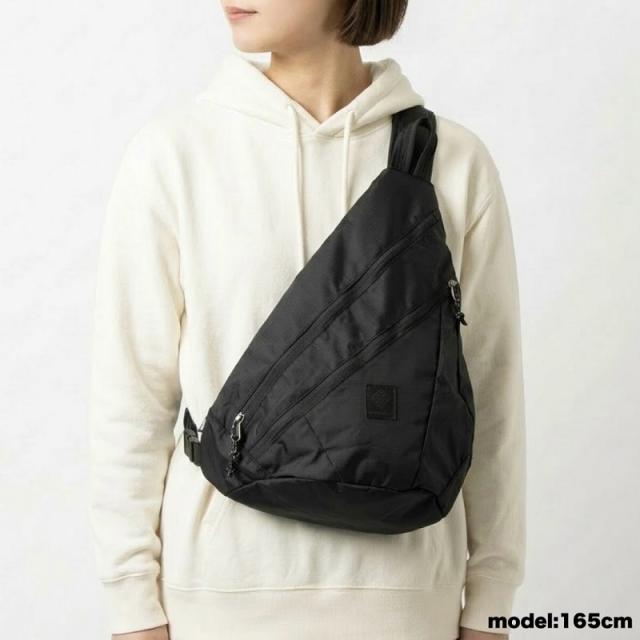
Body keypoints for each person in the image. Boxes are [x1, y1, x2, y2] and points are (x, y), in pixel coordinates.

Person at [88, 1, 526, 639]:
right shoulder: (176, 155)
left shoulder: (451, 162)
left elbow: (491, 393)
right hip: (218, 598)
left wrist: (492, 600)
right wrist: (131, 604)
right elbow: (131, 395)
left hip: (407, 601)